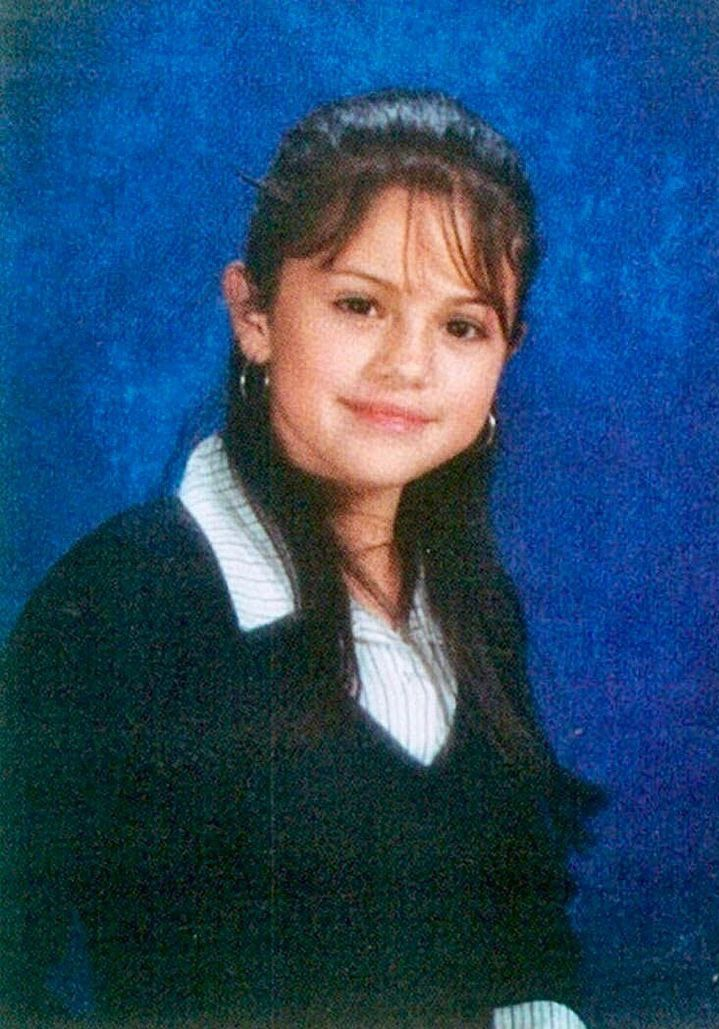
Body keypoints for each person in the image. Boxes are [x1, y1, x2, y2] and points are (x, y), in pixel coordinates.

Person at [2, 89, 600, 1026]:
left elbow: (525, 939)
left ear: (504, 355)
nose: (409, 365)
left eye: (461, 325)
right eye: (360, 304)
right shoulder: (121, 602)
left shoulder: (474, 611)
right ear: (255, 314)